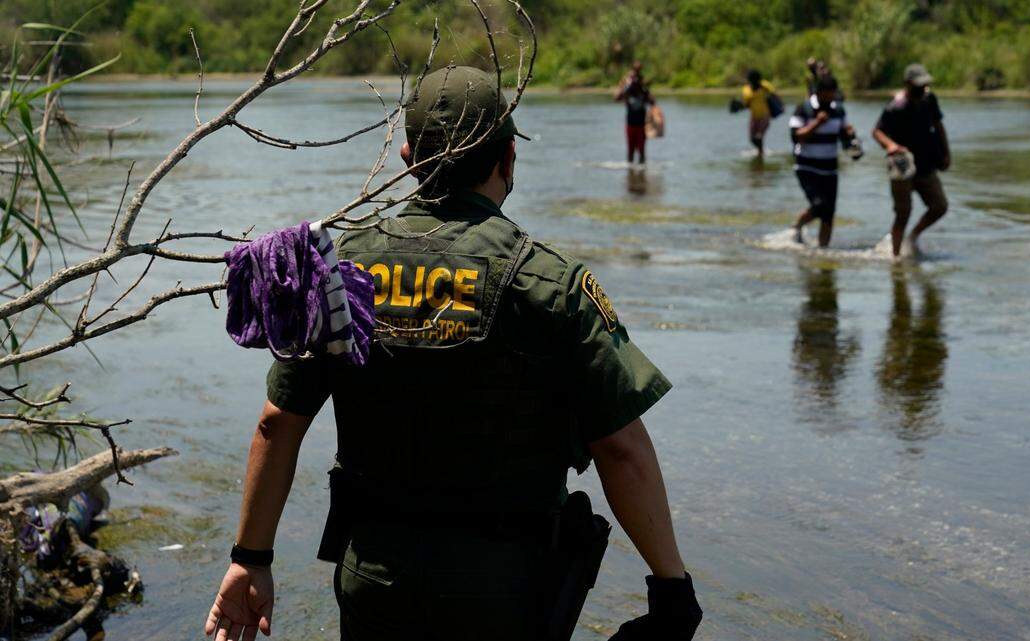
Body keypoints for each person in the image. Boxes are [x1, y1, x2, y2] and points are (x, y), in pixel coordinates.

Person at [203, 66, 701, 641]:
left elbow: (276, 424)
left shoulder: (341, 270)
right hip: (504, 591)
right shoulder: (546, 283)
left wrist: (250, 558)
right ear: (508, 159)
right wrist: (672, 589)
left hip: (374, 580)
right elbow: (622, 450)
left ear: (410, 157)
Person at [871, 63, 951, 258]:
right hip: (902, 164)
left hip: (926, 163)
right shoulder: (894, 107)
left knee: (940, 206)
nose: (922, 90)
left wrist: (946, 153)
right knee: (903, 214)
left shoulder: (929, 99)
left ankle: (913, 236)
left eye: (924, 86)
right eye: (917, 87)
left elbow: (938, 125)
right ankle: (896, 258)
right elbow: (877, 132)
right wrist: (890, 145)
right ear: (907, 84)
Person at [788, 75, 858, 248]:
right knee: (819, 206)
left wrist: (850, 135)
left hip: (830, 168)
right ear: (818, 93)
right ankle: (797, 225)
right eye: (827, 95)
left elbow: (844, 138)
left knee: (829, 213)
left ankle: (823, 250)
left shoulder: (839, 110)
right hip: (806, 167)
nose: (830, 99)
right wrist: (817, 123)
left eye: (833, 95)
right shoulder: (803, 109)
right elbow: (796, 137)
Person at [614, 61, 656, 164]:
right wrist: (627, 87)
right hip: (630, 124)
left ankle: (641, 173)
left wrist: (644, 89)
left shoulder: (643, 89)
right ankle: (631, 175)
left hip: (641, 125)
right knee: (630, 151)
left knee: (641, 151)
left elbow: (653, 102)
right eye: (634, 76)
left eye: (637, 74)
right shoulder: (628, 89)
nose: (635, 79)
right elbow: (616, 98)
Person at [741, 69, 778, 152]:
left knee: (759, 136)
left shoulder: (765, 86)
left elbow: (775, 95)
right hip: (754, 117)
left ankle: (760, 153)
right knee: (752, 138)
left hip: (765, 116)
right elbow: (746, 104)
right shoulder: (746, 90)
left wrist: (780, 105)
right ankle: (760, 152)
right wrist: (739, 106)